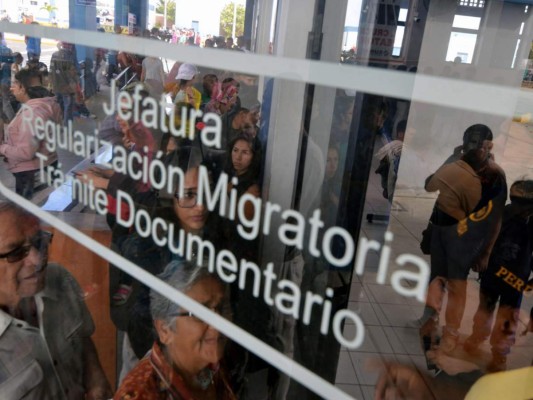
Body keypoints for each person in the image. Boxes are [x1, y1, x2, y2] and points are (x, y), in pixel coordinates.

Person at [0, 201, 112, 399]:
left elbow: (82, 340)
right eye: (16, 252)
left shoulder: (59, 279)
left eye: (39, 242)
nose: (37, 259)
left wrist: (96, 379)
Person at [421, 124, 507, 355]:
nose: (474, 148)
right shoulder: (456, 164)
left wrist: (486, 252)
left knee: (457, 285)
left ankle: (451, 332)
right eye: (470, 142)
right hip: (442, 230)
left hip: (467, 238)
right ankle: (430, 319)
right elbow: (430, 183)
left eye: (479, 144)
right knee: (436, 278)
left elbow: (496, 217)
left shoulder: (494, 175)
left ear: (489, 146)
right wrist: (451, 157)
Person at [115, 260, 236, 400]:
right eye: (200, 314)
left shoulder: (210, 366)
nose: (218, 325)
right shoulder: (142, 393)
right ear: (164, 330)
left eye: (222, 308)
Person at [463, 180, 533, 372]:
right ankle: (478, 336)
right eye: (518, 204)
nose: (521, 210)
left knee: (508, 317)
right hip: (492, 272)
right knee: (484, 308)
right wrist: (476, 257)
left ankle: (500, 354)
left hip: (516, 279)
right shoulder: (501, 214)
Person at [0, 69, 61, 199]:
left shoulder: (32, 114)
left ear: (23, 88)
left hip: (32, 175)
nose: (11, 89)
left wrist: (2, 148)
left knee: (27, 215)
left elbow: (25, 153)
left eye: (14, 85)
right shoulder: (48, 105)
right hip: (47, 164)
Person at [49, 42, 79, 125]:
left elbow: (51, 71)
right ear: (70, 46)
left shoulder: (54, 54)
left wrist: (51, 84)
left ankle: (59, 123)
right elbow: (72, 73)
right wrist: (75, 85)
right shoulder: (70, 56)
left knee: (60, 105)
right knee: (68, 108)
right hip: (67, 88)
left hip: (57, 86)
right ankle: (66, 128)